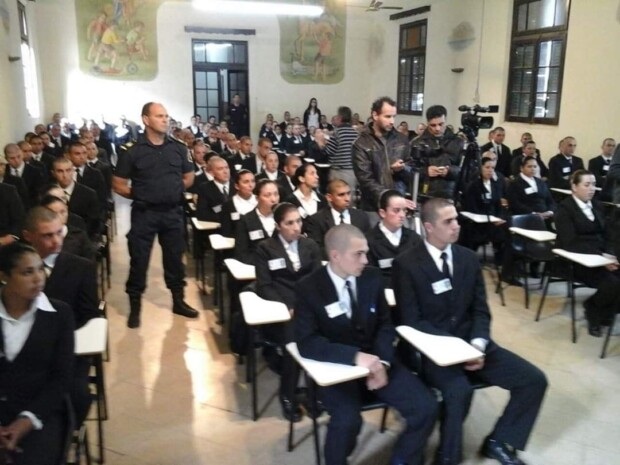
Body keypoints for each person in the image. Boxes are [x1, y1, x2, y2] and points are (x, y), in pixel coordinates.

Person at [393, 198, 548, 465]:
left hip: (473, 344)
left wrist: (477, 344)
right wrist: (458, 349)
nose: (456, 225)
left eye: (456, 219)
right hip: (432, 350)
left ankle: (500, 440)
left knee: (534, 380)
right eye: (448, 221)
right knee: (459, 391)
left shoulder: (467, 258)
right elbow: (411, 321)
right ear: (429, 227)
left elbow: (480, 310)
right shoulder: (406, 264)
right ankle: (448, 456)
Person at [295, 224, 438, 465]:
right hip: (338, 368)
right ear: (335, 256)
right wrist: (356, 357)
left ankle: (403, 459)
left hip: (378, 360)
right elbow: (307, 342)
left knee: (426, 407)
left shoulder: (371, 278)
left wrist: (382, 361)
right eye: (358, 254)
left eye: (366, 253)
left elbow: (384, 324)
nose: (365, 260)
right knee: (347, 421)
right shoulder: (309, 288)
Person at [112, 102, 198, 328]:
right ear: (146, 119)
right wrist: (143, 194)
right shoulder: (131, 150)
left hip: (172, 212)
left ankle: (178, 300)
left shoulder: (179, 147)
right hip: (145, 213)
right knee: (139, 260)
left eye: (166, 116)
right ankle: (135, 306)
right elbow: (118, 184)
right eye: (160, 116)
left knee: (175, 260)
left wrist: (171, 190)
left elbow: (189, 177)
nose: (165, 120)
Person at [0, 242, 75, 465]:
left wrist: (25, 422)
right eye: (27, 272)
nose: (38, 278)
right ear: (4, 276)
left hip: (40, 410)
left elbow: (60, 379)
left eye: (40, 269)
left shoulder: (59, 315)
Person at [255, 203, 322, 421]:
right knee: (294, 340)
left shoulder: (310, 245)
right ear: (278, 226)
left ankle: (315, 392)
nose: (296, 227)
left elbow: (318, 279)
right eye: (289, 223)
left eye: (298, 221)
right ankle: (287, 394)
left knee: (323, 335)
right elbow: (265, 286)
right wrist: (286, 305)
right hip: (282, 309)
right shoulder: (265, 248)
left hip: (308, 305)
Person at [555, 170, 620, 337]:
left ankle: (606, 311)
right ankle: (593, 309)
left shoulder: (597, 205)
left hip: (601, 255)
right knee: (612, 282)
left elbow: (608, 234)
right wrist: (601, 258)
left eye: (594, 184)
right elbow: (570, 242)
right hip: (578, 260)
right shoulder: (564, 209)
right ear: (574, 186)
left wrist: (610, 253)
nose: (592, 188)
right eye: (587, 185)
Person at [352, 97, 415, 214]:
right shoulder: (361, 143)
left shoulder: (401, 140)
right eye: (388, 116)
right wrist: (389, 198)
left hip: (399, 204)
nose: (392, 121)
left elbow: (411, 170)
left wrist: (401, 169)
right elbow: (365, 179)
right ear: (375, 115)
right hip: (372, 206)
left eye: (394, 117)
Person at [365, 189, 422, 285]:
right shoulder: (369, 241)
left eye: (404, 210)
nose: (402, 215)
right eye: (396, 210)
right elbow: (370, 277)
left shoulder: (414, 238)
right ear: (382, 213)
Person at [410, 105, 464, 200]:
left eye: (441, 124)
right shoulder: (417, 143)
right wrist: (426, 171)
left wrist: (449, 171)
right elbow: (408, 170)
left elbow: (465, 170)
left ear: (445, 121)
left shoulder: (457, 142)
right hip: (424, 193)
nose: (437, 128)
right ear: (427, 123)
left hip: (450, 193)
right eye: (433, 125)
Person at [305, 179, 370, 253]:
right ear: (329, 197)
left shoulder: (361, 216)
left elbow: (368, 244)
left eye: (348, 193)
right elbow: (316, 249)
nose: (347, 199)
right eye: (341, 195)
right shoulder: (317, 220)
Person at [234, 179, 279, 266]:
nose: (273, 199)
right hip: (257, 266)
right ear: (257, 198)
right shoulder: (246, 220)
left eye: (276, 194)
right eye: (267, 195)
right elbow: (242, 254)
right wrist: (265, 264)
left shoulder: (285, 217)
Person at [325, 106, 359, 203]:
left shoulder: (337, 132)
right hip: (351, 171)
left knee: (335, 199)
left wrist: (322, 144)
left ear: (340, 117)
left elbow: (329, 151)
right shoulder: (355, 133)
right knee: (348, 199)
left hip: (338, 171)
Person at [196, 156, 235, 223]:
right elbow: (202, 214)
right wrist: (227, 218)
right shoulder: (205, 188)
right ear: (211, 173)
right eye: (220, 169)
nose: (225, 171)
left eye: (227, 167)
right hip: (217, 226)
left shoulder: (237, 186)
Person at [220, 169, 257, 238]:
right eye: (246, 182)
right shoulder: (228, 205)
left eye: (253, 181)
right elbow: (226, 232)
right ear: (237, 186)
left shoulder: (260, 201)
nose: (251, 185)